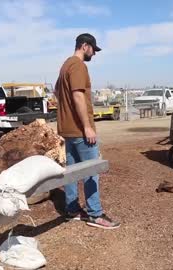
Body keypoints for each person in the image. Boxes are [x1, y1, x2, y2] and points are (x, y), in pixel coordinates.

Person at [55, 33, 120, 229]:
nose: (94, 53)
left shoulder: (65, 65)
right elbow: (78, 96)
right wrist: (87, 127)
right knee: (92, 171)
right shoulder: (78, 66)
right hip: (80, 131)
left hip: (67, 130)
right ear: (85, 46)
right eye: (93, 49)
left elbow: (57, 92)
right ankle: (95, 214)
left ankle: (72, 210)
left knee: (72, 171)